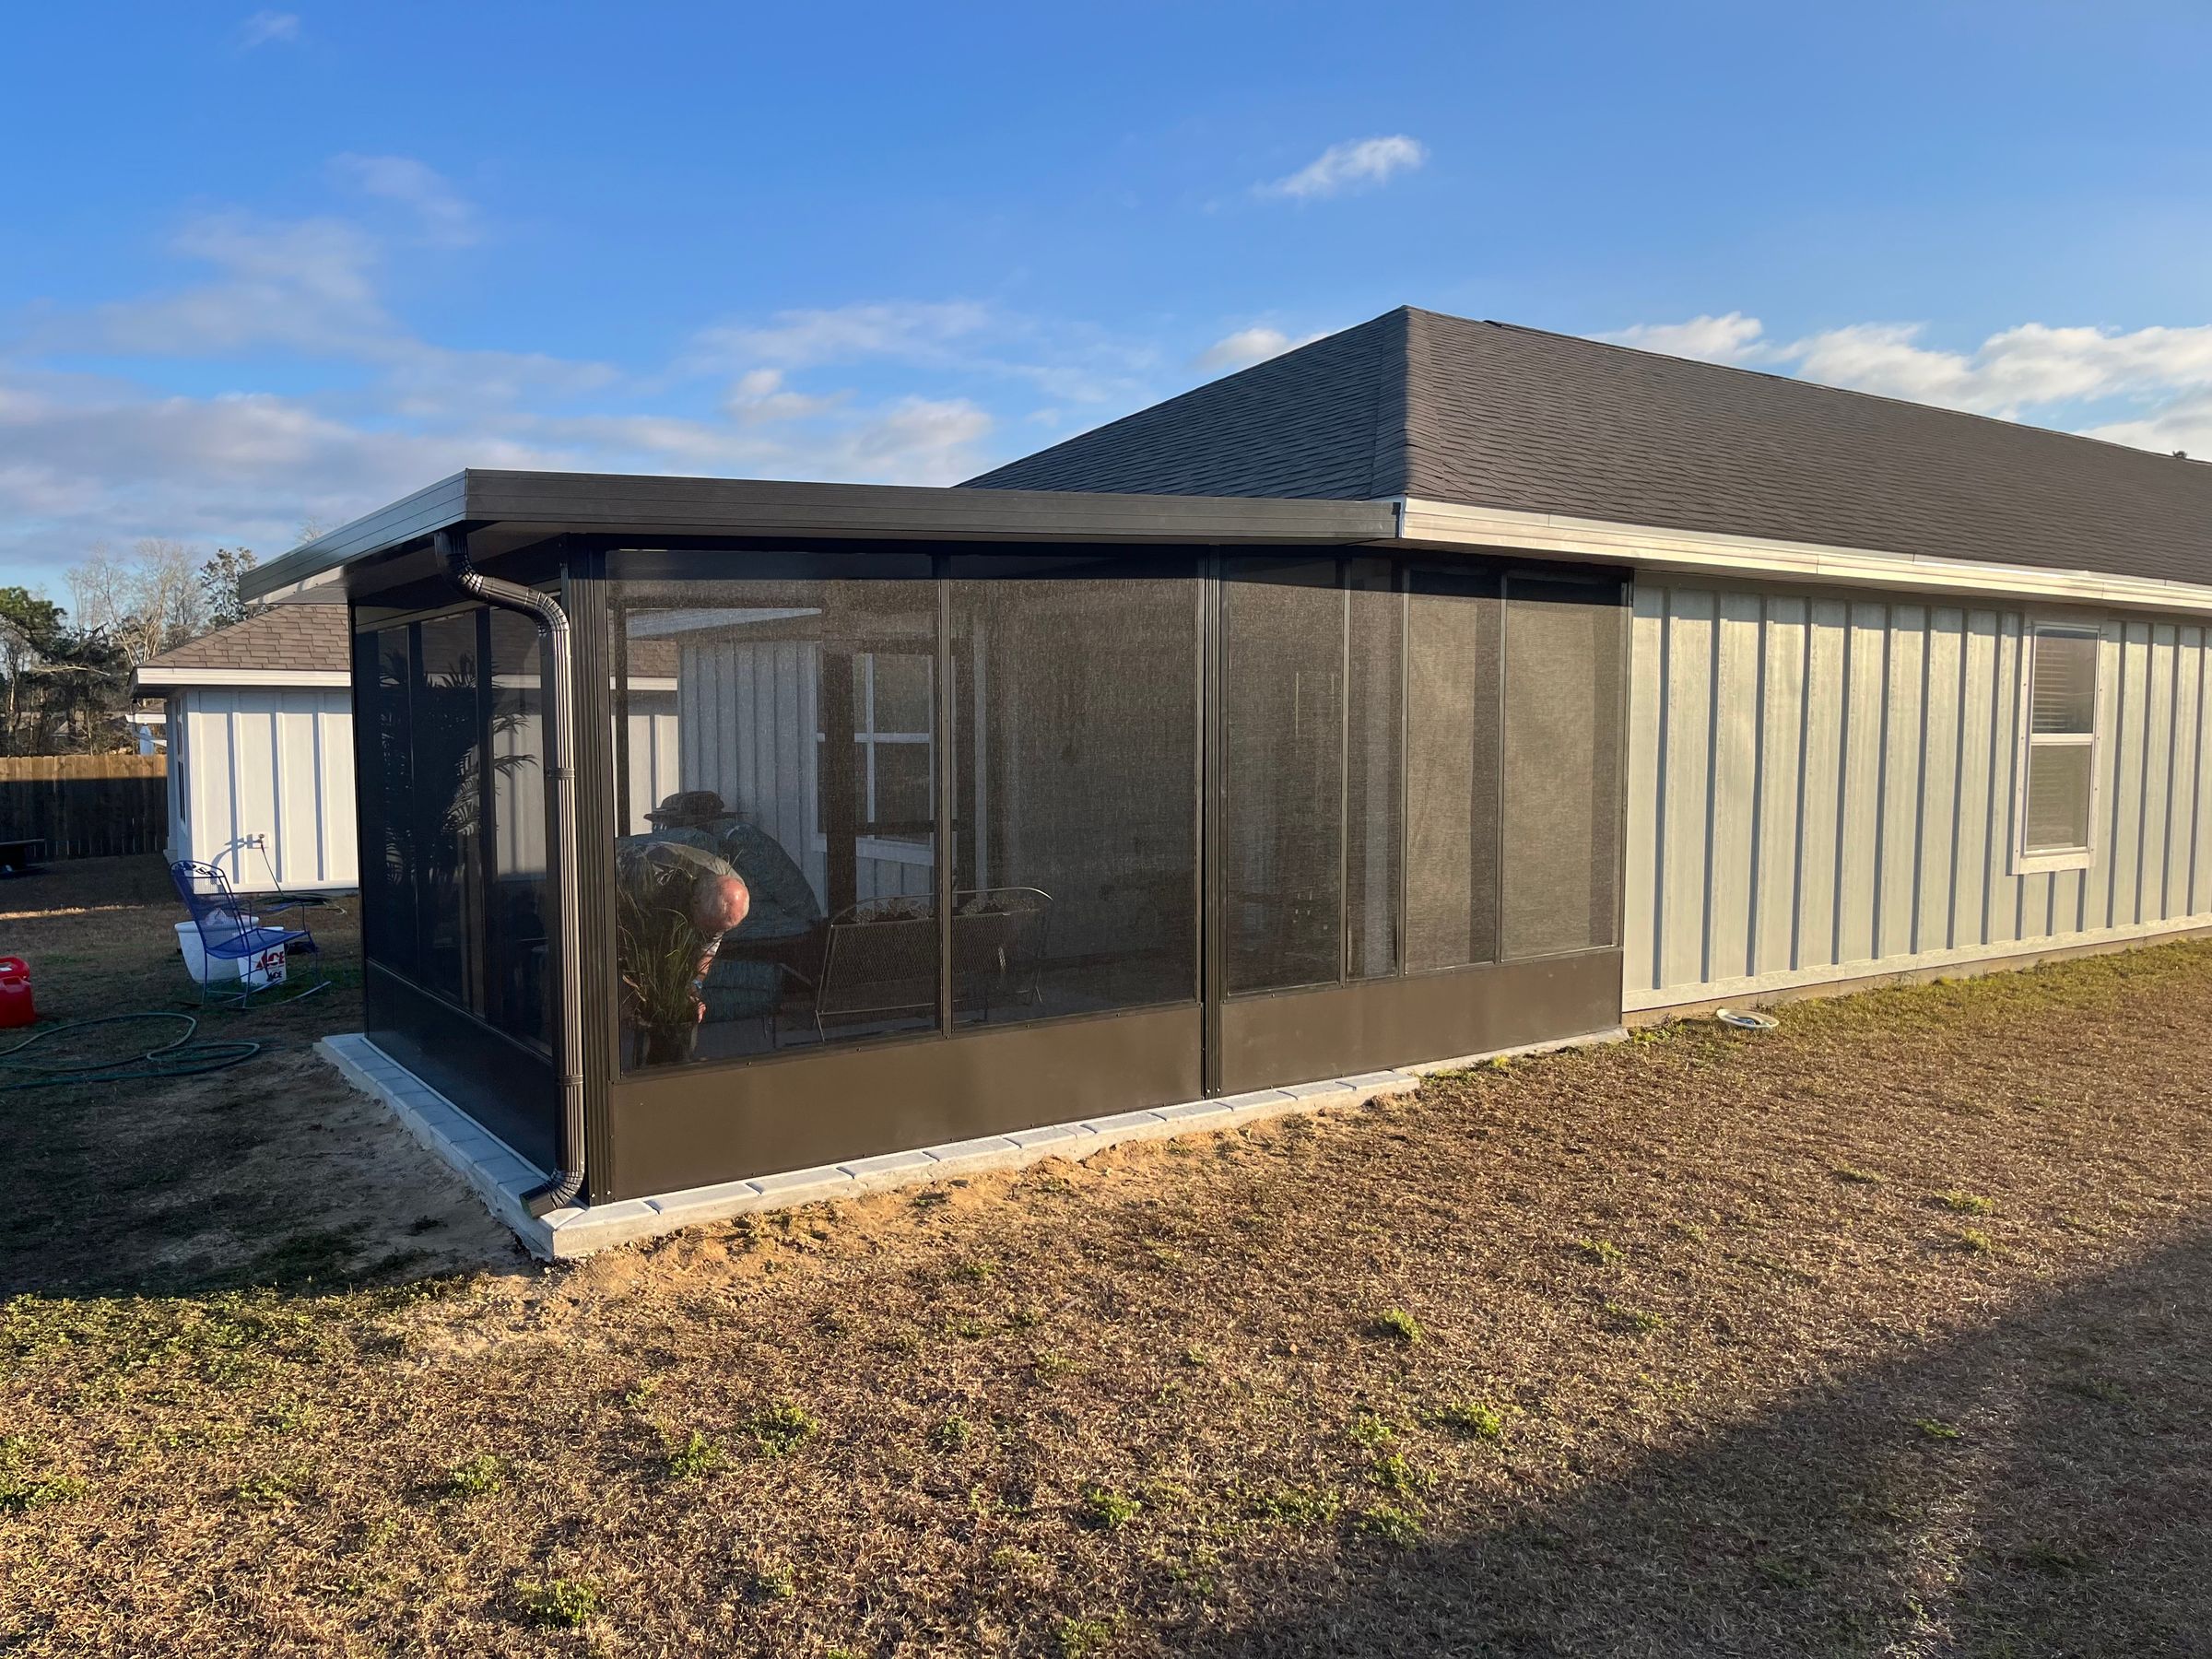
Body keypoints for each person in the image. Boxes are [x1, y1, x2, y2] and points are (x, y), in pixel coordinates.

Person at [615, 835, 750, 1031]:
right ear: (694, 902)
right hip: (608, 875)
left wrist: (694, 989)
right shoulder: (651, 880)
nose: (712, 934)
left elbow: (708, 950)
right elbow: (621, 940)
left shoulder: (731, 890)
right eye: (709, 927)